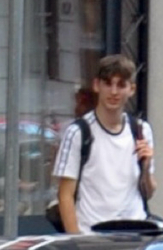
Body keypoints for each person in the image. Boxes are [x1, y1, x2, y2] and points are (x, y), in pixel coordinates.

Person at [52, 54, 154, 232]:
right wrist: (76, 241)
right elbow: (65, 194)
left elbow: (149, 192)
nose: (114, 92)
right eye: (108, 83)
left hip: (136, 233)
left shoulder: (141, 130)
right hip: (93, 236)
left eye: (121, 85)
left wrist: (147, 165)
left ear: (132, 89)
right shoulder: (79, 132)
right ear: (96, 85)